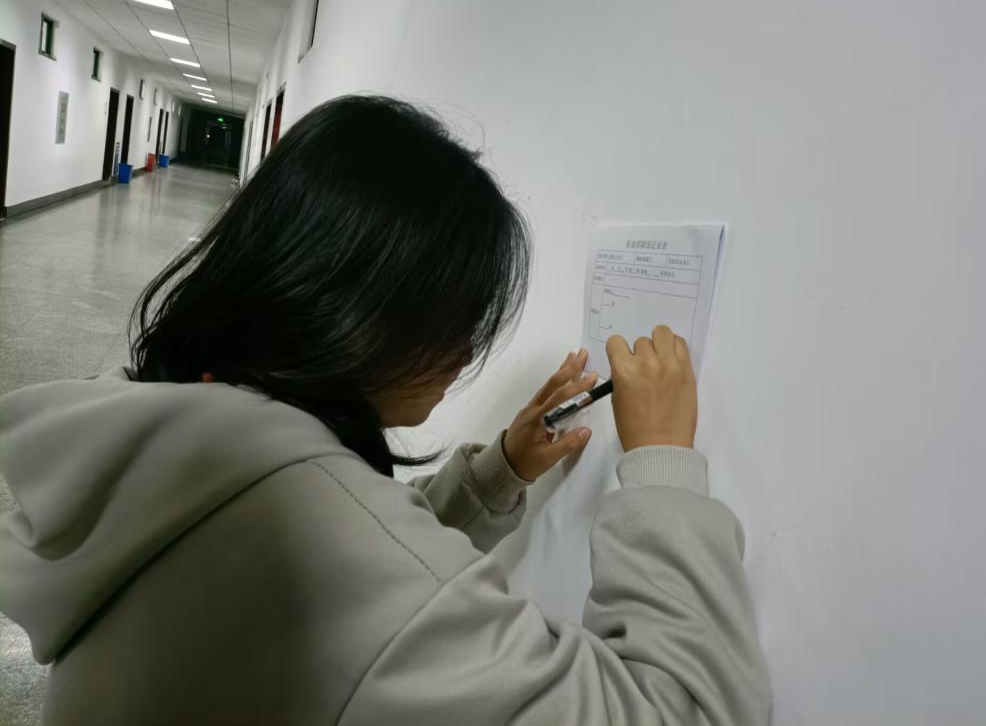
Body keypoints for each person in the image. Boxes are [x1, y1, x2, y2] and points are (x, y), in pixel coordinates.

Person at [0, 96, 770, 724]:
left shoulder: (172, 417)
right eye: (458, 319)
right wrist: (662, 465)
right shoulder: (330, 561)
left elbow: (354, 557)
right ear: (360, 313)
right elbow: (688, 711)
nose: (467, 352)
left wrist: (497, 472)